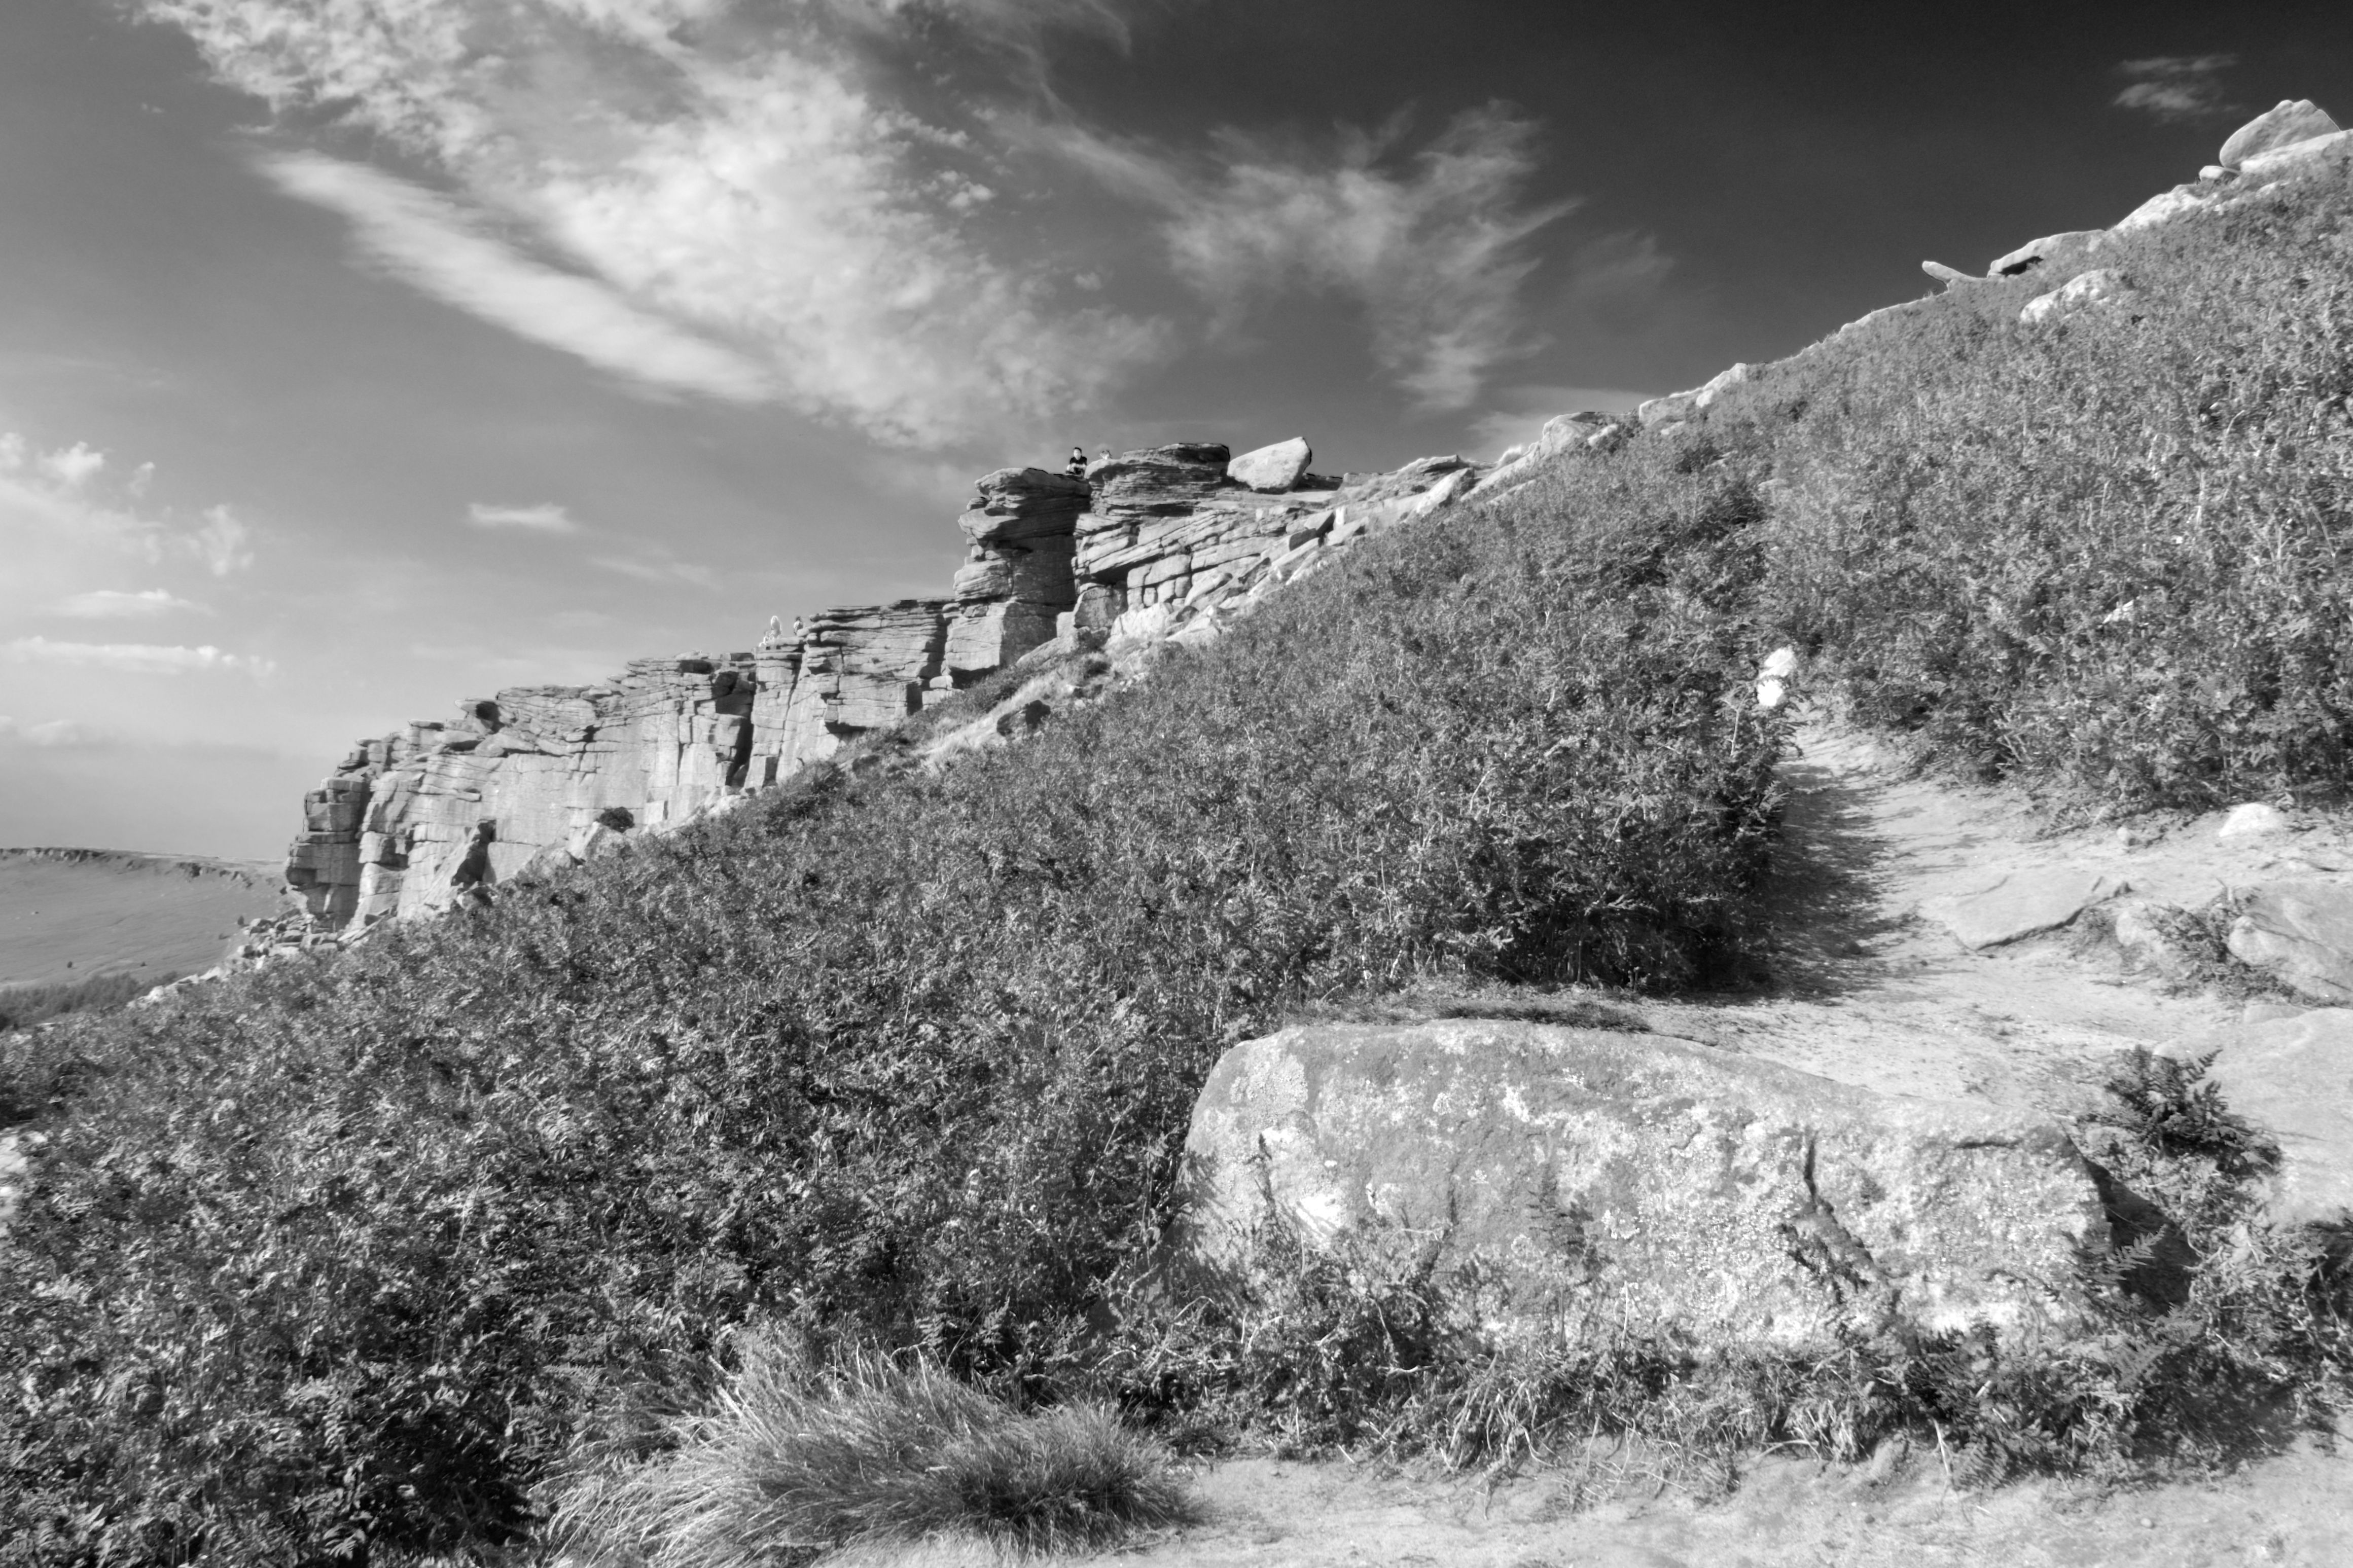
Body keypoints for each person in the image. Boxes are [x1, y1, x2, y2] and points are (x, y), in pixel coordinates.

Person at [450, 821, 496, 908]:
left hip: (474, 867)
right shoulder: (486, 885)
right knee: (484, 851)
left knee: (483, 851)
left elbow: (464, 883)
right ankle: (486, 830)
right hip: (477, 867)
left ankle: (485, 830)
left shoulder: (475, 892)